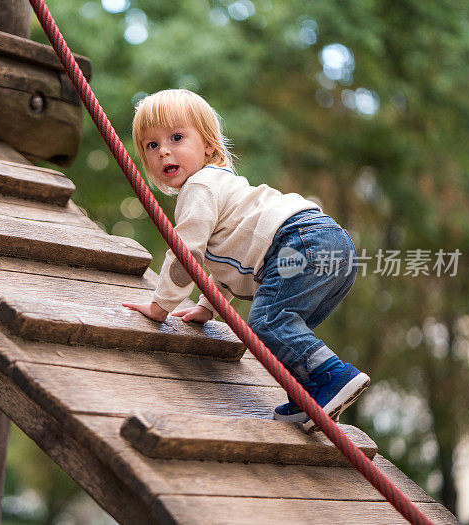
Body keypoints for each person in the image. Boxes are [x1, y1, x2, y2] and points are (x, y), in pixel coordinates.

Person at [121, 88, 369, 431]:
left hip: (298, 241)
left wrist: (159, 307)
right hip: (332, 246)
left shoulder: (199, 188)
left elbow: (186, 255)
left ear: (208, 145)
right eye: (151, 145)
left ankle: (333, 376)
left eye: (176, 137)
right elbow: (228, 262)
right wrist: (208, 307)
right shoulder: (222, 186)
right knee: (284, 326)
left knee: (269, 323)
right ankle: (312, 390)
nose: (164, 150)